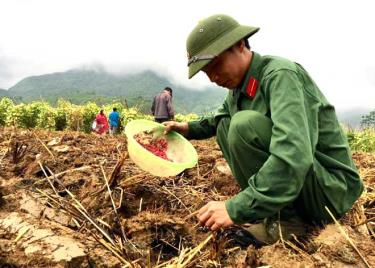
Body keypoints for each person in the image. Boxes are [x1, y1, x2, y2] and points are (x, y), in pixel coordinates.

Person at [163, 14, 363, 245]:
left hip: (330, 192)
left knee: (242, 125)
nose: (214, 78)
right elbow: (217, 119)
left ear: (239, 44)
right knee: (226, 125)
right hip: (306, 185)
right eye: (207, 73)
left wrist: (236, 208)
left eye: (215, 65)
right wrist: (185, 128)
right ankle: (276, 212)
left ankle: (287, 223)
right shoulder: (239, 88)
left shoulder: (280, 76)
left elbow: (294, 153)